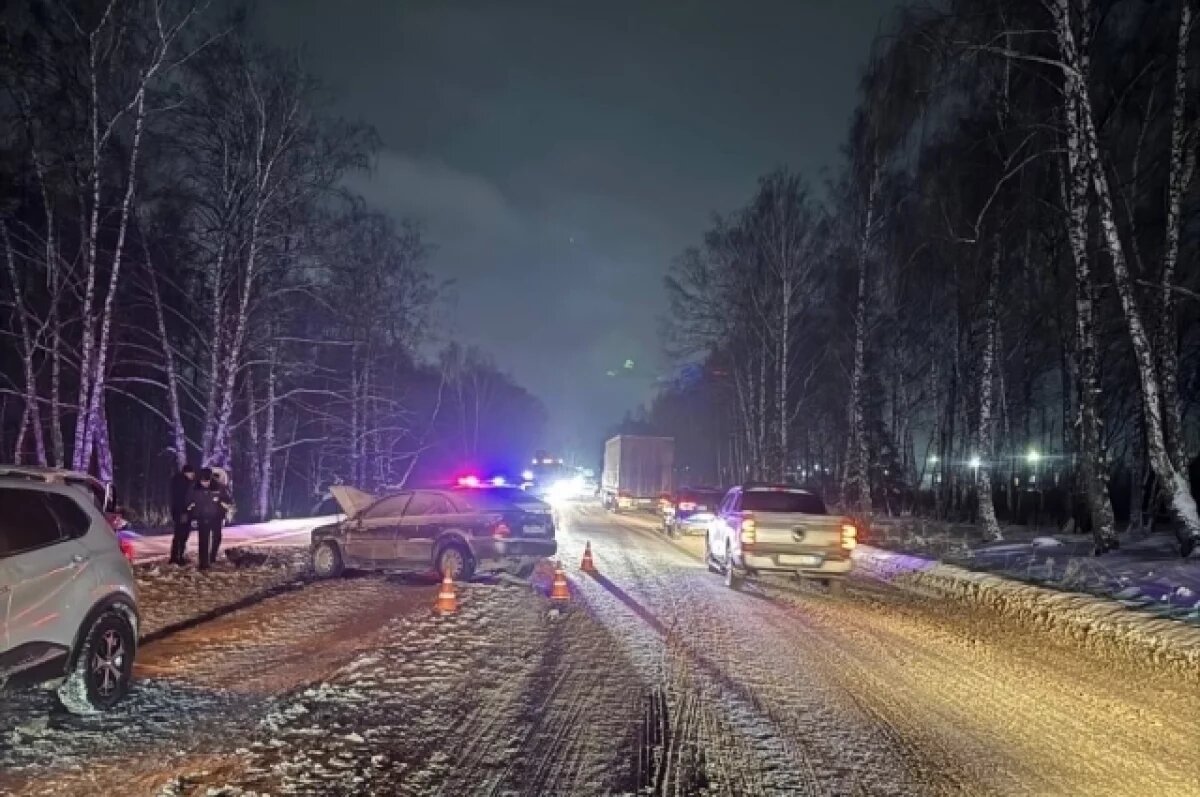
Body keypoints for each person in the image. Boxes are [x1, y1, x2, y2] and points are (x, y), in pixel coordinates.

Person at [186, 468, 230, 571]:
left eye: (207, 481)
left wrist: (224, 505)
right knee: (203, 540)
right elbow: (188, 501)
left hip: (216, 517)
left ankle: (212, 556)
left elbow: (227, 500)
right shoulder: (194, 488)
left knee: (217, 537)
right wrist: (191, 512)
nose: (205, 484)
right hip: (202, 517)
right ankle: (203, 563)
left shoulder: (219, 487)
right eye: (203, 481)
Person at [168, 463, 195, 565]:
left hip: (178, 511)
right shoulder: (185, 483)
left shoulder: (177, 482)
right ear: (187, 472)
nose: (193, 475)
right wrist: (188, 507)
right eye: (192, 473)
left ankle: (176, 556)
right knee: (182, 535)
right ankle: (177, 558)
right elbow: (184, 499)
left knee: (179, 535)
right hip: (183, 512)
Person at [207, 467, 234, 564]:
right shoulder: (221, 488)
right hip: (215, 516)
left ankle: (210, 556)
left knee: (212, 537)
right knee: (215, 537)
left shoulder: (221, 488)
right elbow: (228, 501)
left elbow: (228, 502)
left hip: (215, 516)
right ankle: (211, 557)